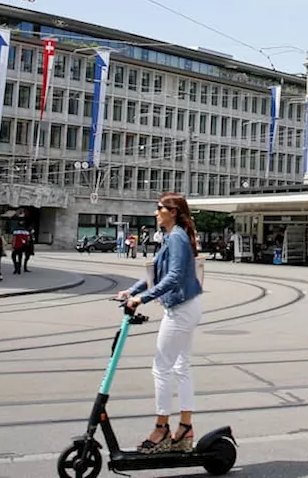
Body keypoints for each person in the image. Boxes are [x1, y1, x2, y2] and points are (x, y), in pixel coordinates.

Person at [116, 192, 204, 453]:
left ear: (173, 212)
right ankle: (185, 427)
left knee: (161, 368)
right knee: (180, 367)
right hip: (187, 305)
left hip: (180, 308)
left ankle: (162, 428)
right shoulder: (171, 236)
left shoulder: (175, 237)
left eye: (160, 208)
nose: (156, 212)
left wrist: (141, 300)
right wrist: (131, 292)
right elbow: (156, 272)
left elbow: (174, 277)